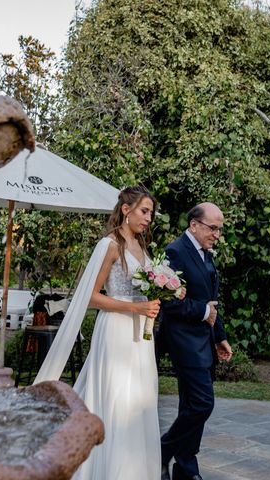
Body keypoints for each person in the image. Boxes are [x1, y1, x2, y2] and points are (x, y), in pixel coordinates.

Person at [34, 186, 181, 480]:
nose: (149, 218)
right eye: (144, 211)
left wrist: (168, 291)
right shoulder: (110, 244)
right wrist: (135, 309)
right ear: (126, 210)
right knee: (116, 399)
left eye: (151, 213)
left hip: (140, 336)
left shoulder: (142, 246)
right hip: (116, 332)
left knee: (139, 400)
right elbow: (89, 296)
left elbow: (145, 288)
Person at [159, 202, 233, 480]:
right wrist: (204, 313)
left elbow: (210, 302)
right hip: (184, 343)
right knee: (203, 404)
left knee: (190, 407)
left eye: (219, 229)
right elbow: (169, 302)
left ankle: (186, 470)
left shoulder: (206, 254)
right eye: (213, 228)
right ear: (194, 225)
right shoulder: (175, 252)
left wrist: (220, 337)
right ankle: (162, 451)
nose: (217, 234)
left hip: (204, 342)